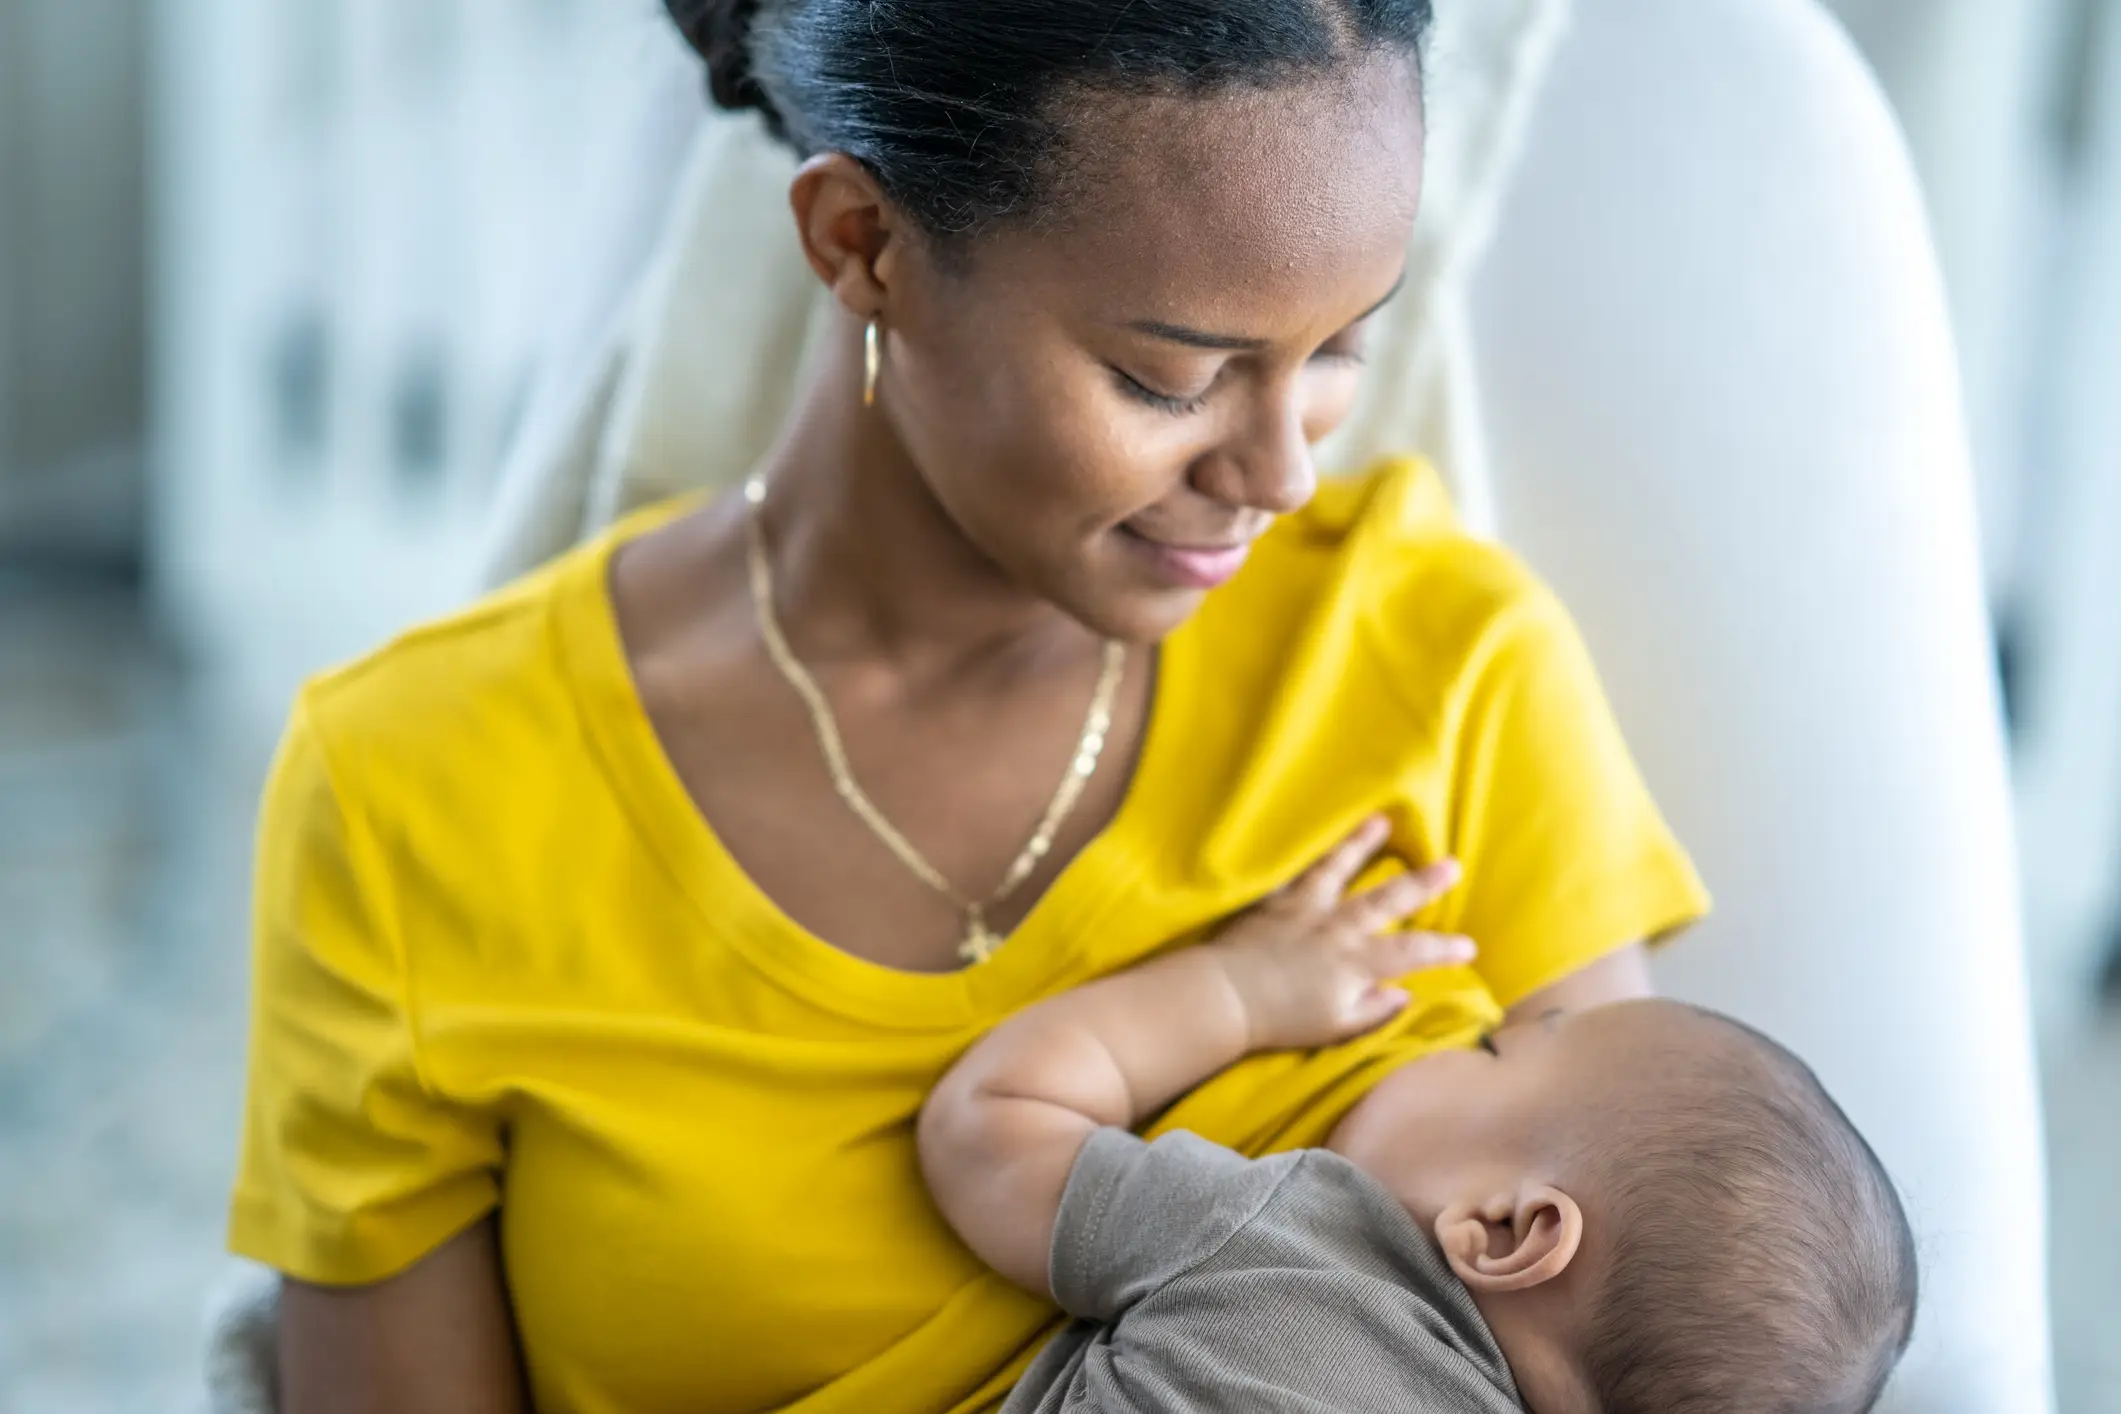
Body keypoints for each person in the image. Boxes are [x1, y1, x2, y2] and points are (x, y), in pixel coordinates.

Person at [228, 2, 1711, 1411]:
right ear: (862, 244)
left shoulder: (1444, 657)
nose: (1280, 474)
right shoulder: (417, 784)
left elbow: (1634, 1327)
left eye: (1334, 351)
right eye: (1168, 377)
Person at [921, 820, 1919, 1413]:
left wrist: (1238, 990)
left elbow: (990, 1125)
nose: (1454, 1034)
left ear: (1504, 1229)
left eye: (1490, 1050)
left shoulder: (1297, 1244)